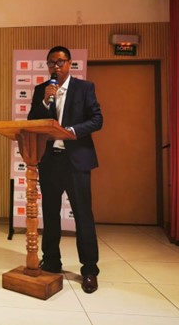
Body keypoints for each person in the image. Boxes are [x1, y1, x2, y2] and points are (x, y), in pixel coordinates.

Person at [27, 46, 103, 294]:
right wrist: (45, 101)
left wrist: (72, 131)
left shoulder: (84, 88)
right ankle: (51, 261)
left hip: (76, 161)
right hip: (50, 161)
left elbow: (96, 119)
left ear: (70, 63)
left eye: (60, 62)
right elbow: (32, 122)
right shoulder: (42, 90)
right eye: (51, 63)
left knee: (83, 215)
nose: (55, 67)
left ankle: (89, 269)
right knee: (50, 214)